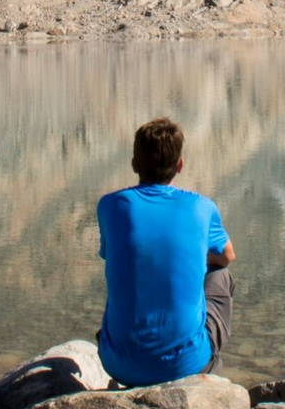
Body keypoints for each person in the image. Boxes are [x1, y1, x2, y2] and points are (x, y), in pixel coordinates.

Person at [96, 117, 236, 387]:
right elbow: (227, 256)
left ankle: (134, 360)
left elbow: (111, 253)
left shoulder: (110, 206)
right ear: (180, 166)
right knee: (221, 276)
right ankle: (204, 369)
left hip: (116, 363)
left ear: (134, 164)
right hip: (184, 366)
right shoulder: (202, 208)